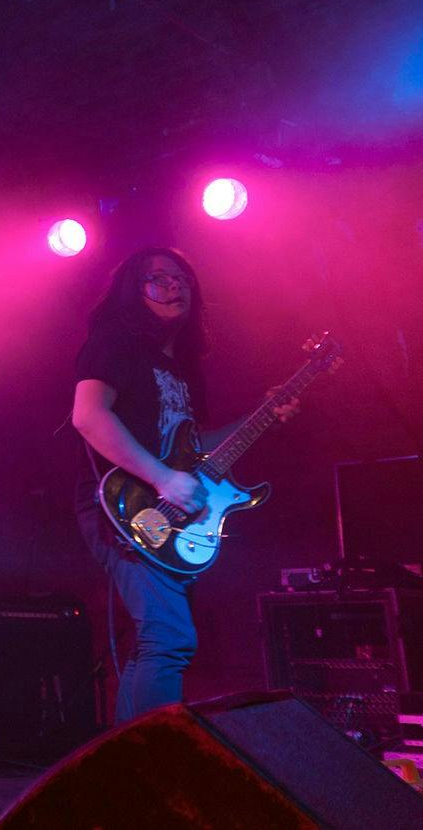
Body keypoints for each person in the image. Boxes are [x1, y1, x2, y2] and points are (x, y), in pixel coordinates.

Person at [70, 248, 294, 722]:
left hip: (165, 508)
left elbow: (195, 447)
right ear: (134, 290)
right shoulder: (115, 342)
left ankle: (130, 755)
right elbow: (88, 416)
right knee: (169, 637)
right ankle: (160, 755)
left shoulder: (184, 368)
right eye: (159, 279)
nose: (175, 286)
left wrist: (263, 417)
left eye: (183, 279)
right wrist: (162, 478)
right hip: (125, 503)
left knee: (156, 640)